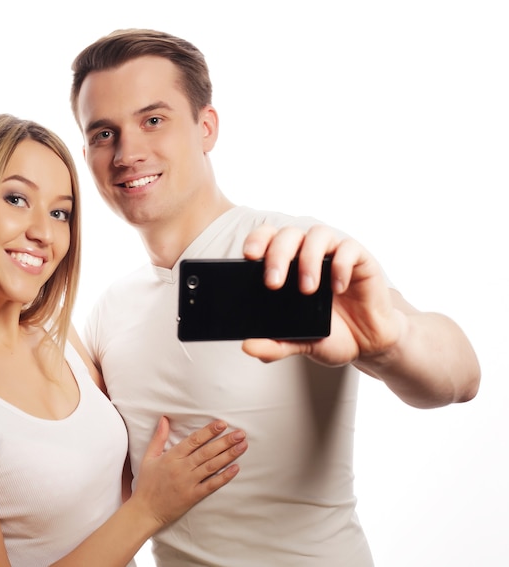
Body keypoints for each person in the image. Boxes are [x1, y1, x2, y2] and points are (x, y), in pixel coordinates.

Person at [68, 28, 481, 566]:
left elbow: (461, 376)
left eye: (153, 120)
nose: (128, 152)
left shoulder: (293, 252)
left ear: (206, 127)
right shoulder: (107, 313)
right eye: (104, 133)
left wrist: (390, 342)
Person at [0, 114, 249, 567]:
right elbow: (141, 504)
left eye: (60, 212)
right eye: (17, 199)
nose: (43, 233)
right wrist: (148, 510)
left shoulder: (59, 337)